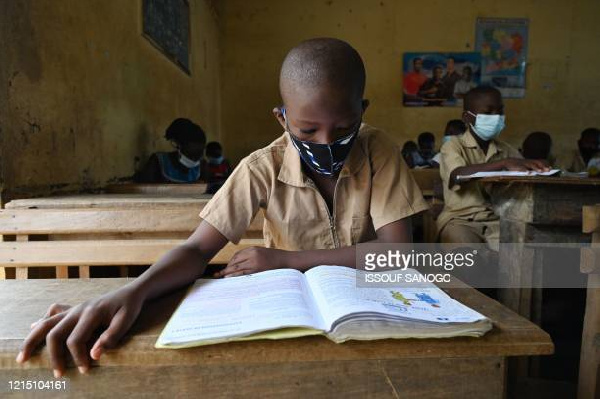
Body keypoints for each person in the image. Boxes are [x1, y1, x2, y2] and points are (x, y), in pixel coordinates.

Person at [17, 38, 429, 377]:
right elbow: (198, 250)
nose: (325, 142)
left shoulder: (379, 151)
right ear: (282, 119)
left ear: (363, 111)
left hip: (370, 309)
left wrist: (288, 259)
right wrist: (134, 290)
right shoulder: (260, 167)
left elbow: (399, 254)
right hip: (290, 313)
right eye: (307, 129)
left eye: (343, 129)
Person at [437, 87, 549, 250]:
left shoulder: (506, 150)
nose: (496, 117)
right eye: (488, 113)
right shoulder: (453, 146)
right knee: (467, 259)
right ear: (468, 118)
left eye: (500, 111)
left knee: (521, 255)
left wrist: (537, 168)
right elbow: (457, 174)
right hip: (461, 221)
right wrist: (503, 164)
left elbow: (524, 178)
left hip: (498, 221)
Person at [135, 118, 207, 183]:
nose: (195, 159)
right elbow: (145, 190)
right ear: (176, 145)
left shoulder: (202, 166)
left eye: (199, 153)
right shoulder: (158, 162)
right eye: (190, 154)